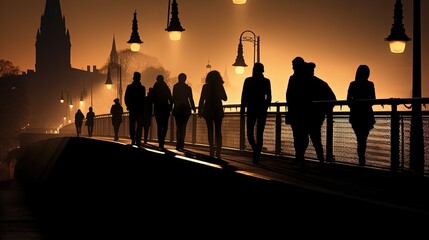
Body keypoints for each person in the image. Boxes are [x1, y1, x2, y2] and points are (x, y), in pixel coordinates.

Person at [240, 62, 272, 164]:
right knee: (259, 133)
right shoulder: (266, 81)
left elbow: (243, 97)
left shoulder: (248, 81)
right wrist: (266, 106)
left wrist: (242, 111)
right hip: (262, 110)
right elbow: (269, 96)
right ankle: (257, 151)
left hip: (251, 109)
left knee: (250, 132)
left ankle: (255, 150)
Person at [307, 62, 336, 164]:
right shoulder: (321, 83)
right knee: (316, 139)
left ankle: (318, 160)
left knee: (306, 139)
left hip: (309, 115)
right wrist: (324, 111)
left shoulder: (304, 85)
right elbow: (333, 100)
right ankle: (321, 161)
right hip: (317, 116)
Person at [347, 64, 376, 166]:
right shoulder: (370, 84)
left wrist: (355, 104)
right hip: (366, 115)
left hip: (356, 115)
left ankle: (361, 159)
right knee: (363, 139)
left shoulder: (353, 84)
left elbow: (348, 101)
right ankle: (362, 160)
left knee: (360, 139)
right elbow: (373, 100)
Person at [286, 56, 311, 166]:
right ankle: (300, 155)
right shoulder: (306, 78)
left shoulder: (293, 79)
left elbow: (288, 94)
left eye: (294, 65)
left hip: (296, 111)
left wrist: (291, 106)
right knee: (303, 135)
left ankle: (299, 155)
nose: (292, 67)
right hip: (304, 111)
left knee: (297, 135)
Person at [198, 70, 227, 158]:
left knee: (210, 130)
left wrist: (200, 110)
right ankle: (218, 150)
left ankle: (211, 148)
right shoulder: (219, 86)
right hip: (218, 109)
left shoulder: (205, 87)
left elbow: (202, 99)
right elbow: (225, 98)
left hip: (208, 110)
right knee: (218, 130)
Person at [172, 73, 196, 150]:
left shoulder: (175, 87)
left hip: (178, 109)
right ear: (185, 79)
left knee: (178, 127)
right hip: (186, 109)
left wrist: (171, 107)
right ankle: (181, 143)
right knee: (183, 127)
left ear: (179, 78)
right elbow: (190, 99)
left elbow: (174, 98)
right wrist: (193, 107)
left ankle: (178, 143)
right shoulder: (188, 88)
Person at [124, 72, 146, 147]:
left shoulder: (129, 87)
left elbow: (126, 98)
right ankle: (138, 139)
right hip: (140, 109)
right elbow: (143, 100)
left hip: (132, 109)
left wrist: (128, 106)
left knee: (132, 124)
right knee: (139, 125)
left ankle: (133, 138)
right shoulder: (142, 88)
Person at [152, 75, 173, 150]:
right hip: (165, 108)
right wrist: (170, 107)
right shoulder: (166, 88)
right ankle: (162, 139)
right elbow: (170, 99)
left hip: (158, 108)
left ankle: (160, 141)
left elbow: (152, 99)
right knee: (165, 125)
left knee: (159, 126)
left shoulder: (155, 87)